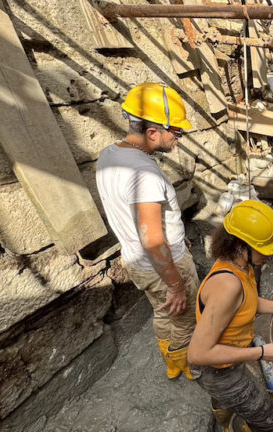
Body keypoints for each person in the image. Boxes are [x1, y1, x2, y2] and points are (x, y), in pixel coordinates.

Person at [96, 82, 198, 380]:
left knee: (163, 312)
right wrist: (177, 284)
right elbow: (153, 240)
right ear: (153, 132)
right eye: (175, 133)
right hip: (163, 266)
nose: (178, 139)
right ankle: (187, 362)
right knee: (184, 316)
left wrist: (177, 234)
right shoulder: (146, 175)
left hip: (136, 262)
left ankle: (170, 361)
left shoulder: (108, 155)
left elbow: (140, 219)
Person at [188, 200, 273, 432]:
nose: (271, 254)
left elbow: (247, 302)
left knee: (244, 404)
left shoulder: (240, 266)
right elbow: (198, 353)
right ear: (241, 246)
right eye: (265, 248)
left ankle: (224, 413)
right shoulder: (227, 285)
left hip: (229, 360)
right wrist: (260, 352)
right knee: (271, 421)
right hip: (219, 371)